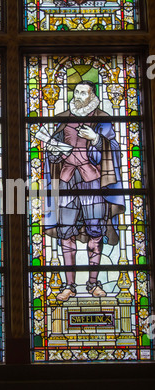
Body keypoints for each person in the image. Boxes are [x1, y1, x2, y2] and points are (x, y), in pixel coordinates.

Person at [44, 81, 125, 302]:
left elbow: (114, 150)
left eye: (83, 92)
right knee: (65, 232)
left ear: (92, 96)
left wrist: (96, 139)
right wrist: (52, 151)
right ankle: (69, 285)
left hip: (93, 183)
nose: (78, 96)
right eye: (76, 92)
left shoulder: (102, 119)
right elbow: (53, 155)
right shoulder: (63, 119)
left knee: (95, 232)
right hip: (67, 181)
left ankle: (93, 282)